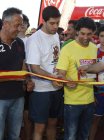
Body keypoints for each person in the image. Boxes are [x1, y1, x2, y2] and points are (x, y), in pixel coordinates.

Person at [56, 17, 97, 140]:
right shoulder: (67, 48)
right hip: (72, 102)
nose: (85, 37)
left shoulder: (95, 48)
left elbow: (97, 71)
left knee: (84, 135)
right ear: (77, 32)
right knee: (71, 136)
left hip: (89, 100)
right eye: (83, 34)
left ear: (93, 33)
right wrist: (67, 81)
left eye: (89, 34)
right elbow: (60, 73)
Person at [26, 6, 63, 140]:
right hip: (41, 90)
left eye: (57, 23)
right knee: (40, 127)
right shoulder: (35, 39)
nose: (55, 26)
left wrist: (60, 76)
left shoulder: (56, 35)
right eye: (52, 23)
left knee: (53, 123)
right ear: (44, 21)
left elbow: (56, 60)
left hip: (56, 87)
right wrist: (53, 77)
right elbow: (34, 68)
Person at [0, 7, 34, 140]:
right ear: (5, 23)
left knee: (15, 135)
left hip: (18, 97)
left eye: (21, 25)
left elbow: (23, 65)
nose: (20, 29)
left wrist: (28, 80)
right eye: (17, 25)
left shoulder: (20, 42)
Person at [89, 25, 104, 140]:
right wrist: (92, 93)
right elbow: (90, 74)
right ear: (98, 37)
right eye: (102, 36)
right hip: (98, 93)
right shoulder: (94, 52)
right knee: (94, 122)